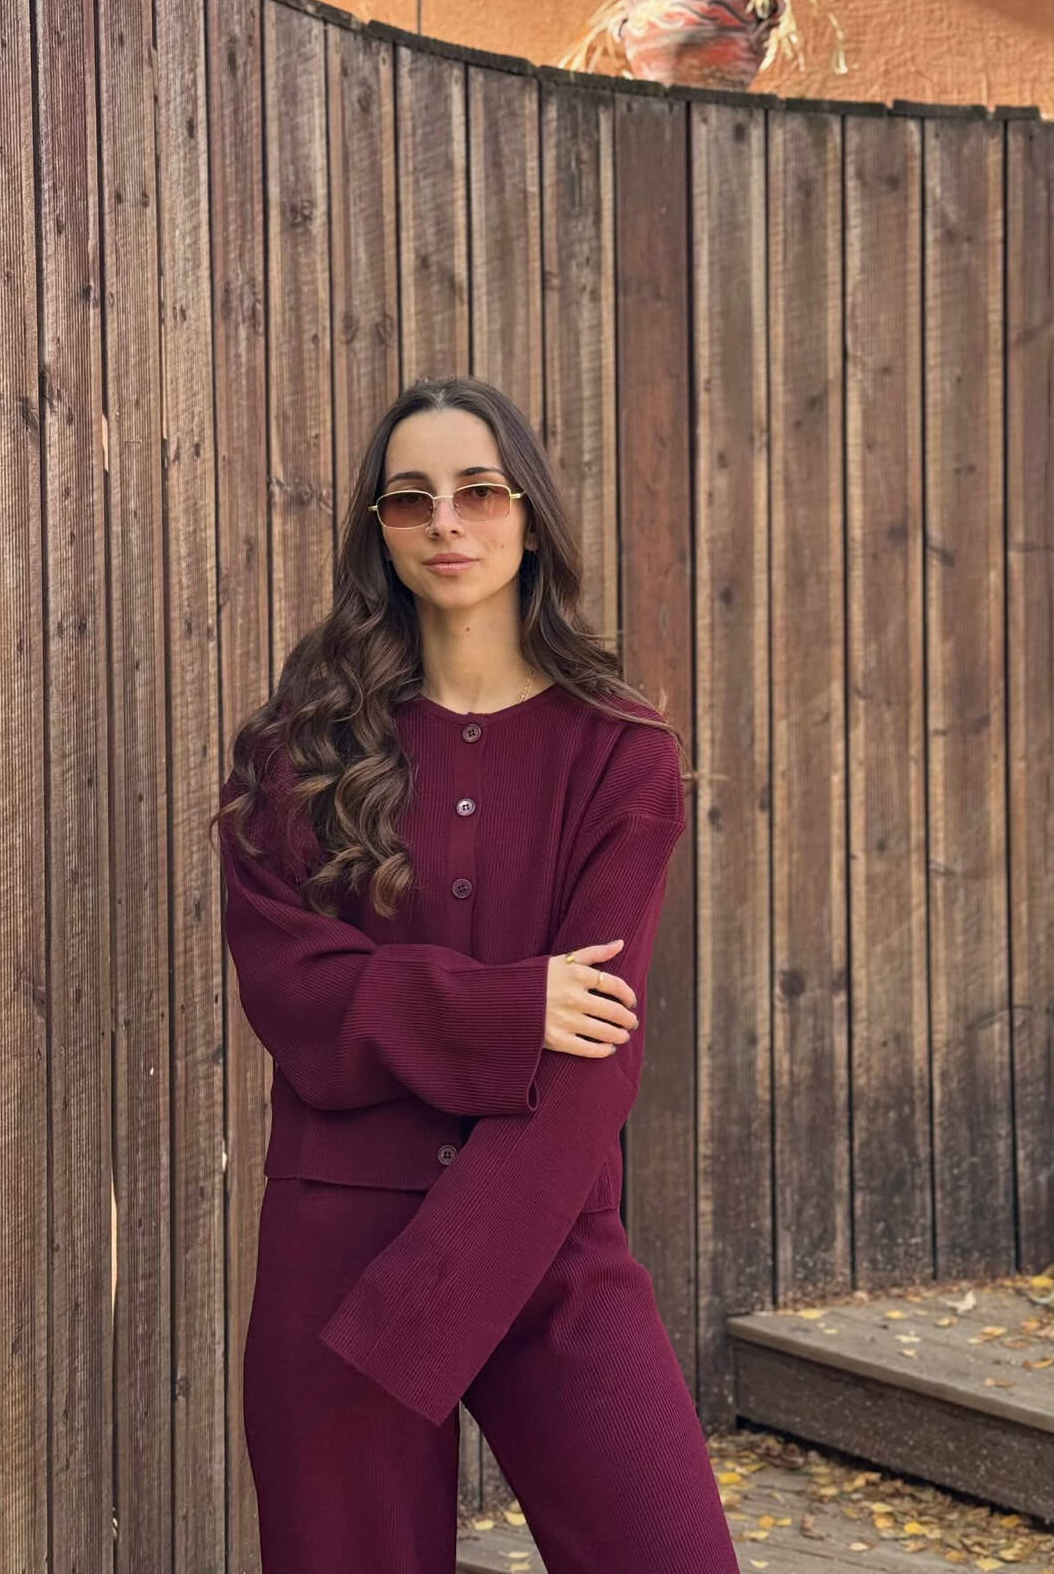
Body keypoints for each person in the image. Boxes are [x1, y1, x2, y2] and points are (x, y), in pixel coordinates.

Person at [211, 377, 739, 1573]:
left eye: (480, 491)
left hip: (546, 1229)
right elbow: (296, 995)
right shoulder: (300, 749)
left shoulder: (620, 753)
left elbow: (595, 1054)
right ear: (380, 532)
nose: (446, 521)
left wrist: (432, 1293)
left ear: (530, 517)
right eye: (411, 499)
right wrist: (509, 1007)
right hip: (334, 1240)